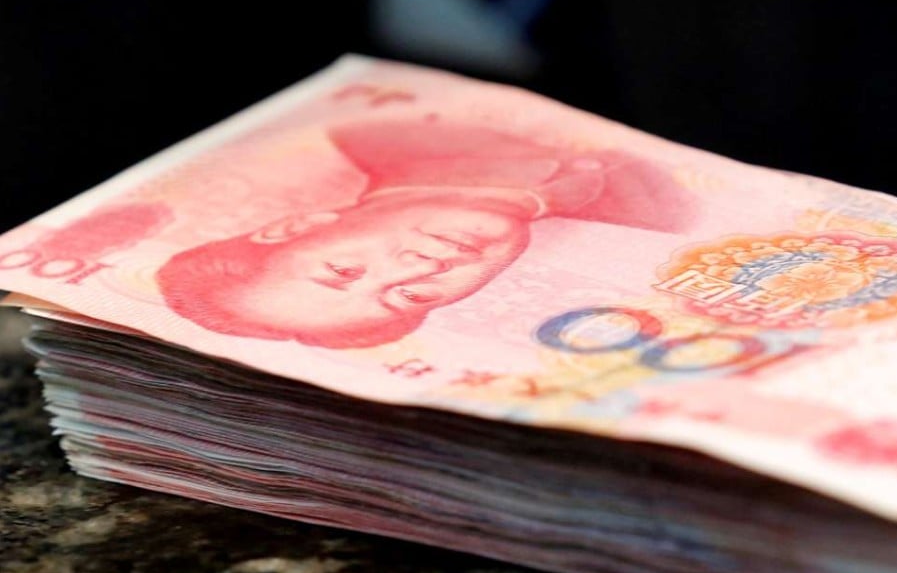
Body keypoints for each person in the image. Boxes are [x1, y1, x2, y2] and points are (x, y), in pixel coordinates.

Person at [156, 118, 695, 348]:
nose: (420, 268)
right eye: (408, 297)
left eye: (344, 271)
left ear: (299, 226)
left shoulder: (379, 132)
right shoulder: (659, 227)